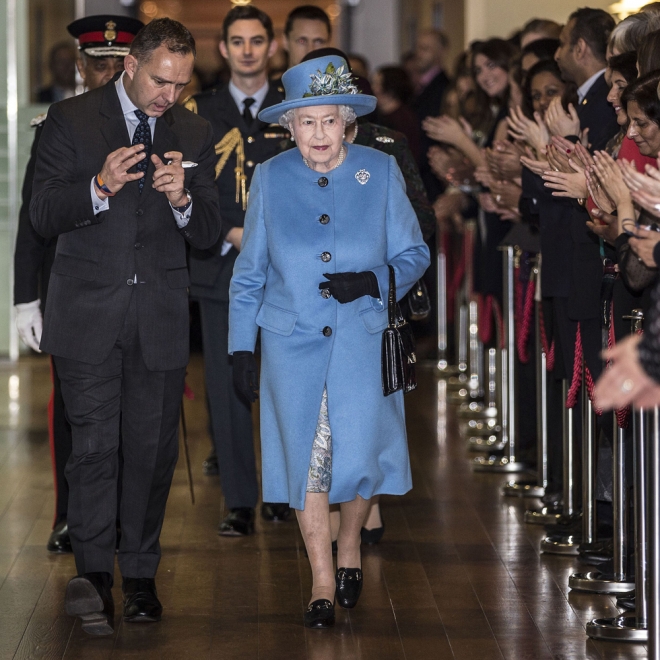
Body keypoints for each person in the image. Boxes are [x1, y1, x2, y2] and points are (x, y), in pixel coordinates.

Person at [29, 18, 221, 635]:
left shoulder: (193, 129)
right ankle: (94, 577)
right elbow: (42, 213)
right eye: (162, 81)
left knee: (150, 449)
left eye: (182, 85)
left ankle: (139, 574)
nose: (170, 96)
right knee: (93, 448)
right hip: (86, 314)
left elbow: (211, 231)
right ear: (132, 66)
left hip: (160, 318)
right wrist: (98, 187)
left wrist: (184, 201)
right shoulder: (72, 121)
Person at [228, 54, 430, 628]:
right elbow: (250, 274)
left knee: (360, 458)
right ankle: (320, 577)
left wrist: (372, 280)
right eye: (307, 123)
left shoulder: (380, 171)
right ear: (289, 127)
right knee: (306, 464)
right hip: (290, 345)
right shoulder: (270, 177)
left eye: (330, 121)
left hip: (362, 341)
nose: (319, 134)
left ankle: (349, 546)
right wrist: (241, 348)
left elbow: (415, 253)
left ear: (348, 122)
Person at [13, 14, 144, 555]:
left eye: (118, 64)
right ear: (80, 67)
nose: (108, 72)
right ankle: (72, 516)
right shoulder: (59, 126)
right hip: (71, 292)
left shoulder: (153, 126)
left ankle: (120, 521)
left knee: (133, 416)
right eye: (98, 64)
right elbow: (32, 220)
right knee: (74, 411)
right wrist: (25, 297)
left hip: (131, 290)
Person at [185, 5, 291, 535]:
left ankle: (280, 491)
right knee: (227, 388)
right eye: (237, 41)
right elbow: (190, 187)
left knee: (281, 385)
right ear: (222, 49)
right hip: (219, 265)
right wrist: (230, 230)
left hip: (286, 273)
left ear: (272, 47)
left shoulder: (292, 109)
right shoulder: (197, 111)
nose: (247, 50)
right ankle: (238, 499)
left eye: (257, 40)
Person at [372, 65, 421, 161]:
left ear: (390, 87)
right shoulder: (376, 115)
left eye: (378, 84)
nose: (373, 88)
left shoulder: (403, 119)